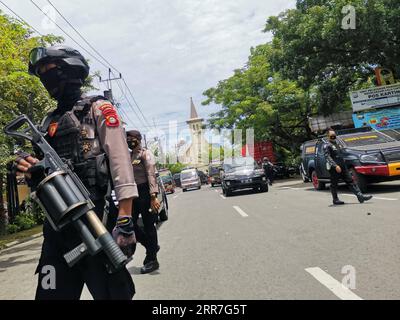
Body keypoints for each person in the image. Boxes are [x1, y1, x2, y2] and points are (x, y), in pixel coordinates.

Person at [15, 45, 137, 300]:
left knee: (115, 295)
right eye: (42, 74)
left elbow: (120, 162)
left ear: (70, 70)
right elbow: (41, 175)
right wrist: (31, 171)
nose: (47, 78)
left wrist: (125, 219)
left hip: (97, 221)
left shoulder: (98, 109)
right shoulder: (47, 123)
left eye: (51, 71)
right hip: (57, 231)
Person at [127, 130, 161, 274]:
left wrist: (153, 196)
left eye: (131, 138)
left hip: (146, 193)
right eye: (127, 138)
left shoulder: (145, 154)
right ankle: (150, 245)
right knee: (130, 224)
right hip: (134, 194)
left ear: (138, 139)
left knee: (149, 225)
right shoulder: (129, 155)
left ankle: (152, 260)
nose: (129, 140)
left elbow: (151, 174)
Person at [324, 129, 373, 205]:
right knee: (334, 184)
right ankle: (335, 199)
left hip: (343, 166)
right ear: (328, 136)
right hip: (335, 168)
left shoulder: (338, 144)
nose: (333, 137)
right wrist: (335, 166)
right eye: (331, 136)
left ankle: (360, 196)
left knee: (351, 181)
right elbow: (327, 157)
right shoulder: (327, 145)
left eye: (334, 135)